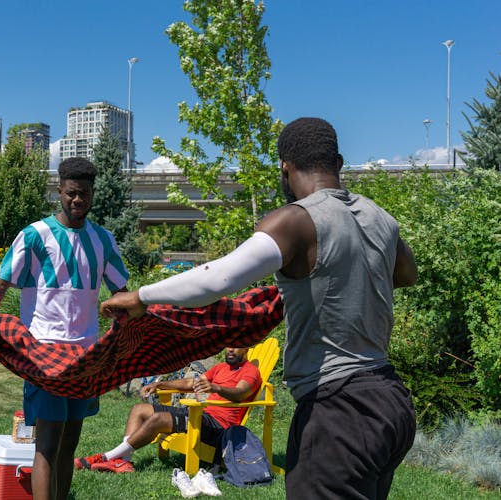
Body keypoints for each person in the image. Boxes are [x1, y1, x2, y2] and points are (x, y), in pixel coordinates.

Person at [100, 117, 418, 500]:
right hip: (391, 400)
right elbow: (405, 274)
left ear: (284, 168)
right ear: (339, 162)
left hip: (340, 409)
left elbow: (216, 279)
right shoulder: (381, 218)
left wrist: (140, 297)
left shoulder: (297, 220)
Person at [0, 157, 129, 500]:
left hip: (86, 356)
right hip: (45, 353)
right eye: (71, 193)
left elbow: (123, 293)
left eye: (84, 194)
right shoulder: (34, 236)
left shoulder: (103, 240)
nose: (77, 200)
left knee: (69, 443)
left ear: (93, 194)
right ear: (59, 191)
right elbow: (0, 285)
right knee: (47, 445)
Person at [75, 347, 261, 473]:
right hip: (201, 415)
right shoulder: (221, 368)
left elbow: (240, 393)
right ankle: (124, 461)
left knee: (159, 420)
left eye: (237, 346)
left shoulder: (249, 371)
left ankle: (107, 456)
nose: (231, 349)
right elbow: (191, 382)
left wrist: (216, 388)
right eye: (229, 345)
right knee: (139, 409)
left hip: (218, 428)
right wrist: (160, 384)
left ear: (247, 348)